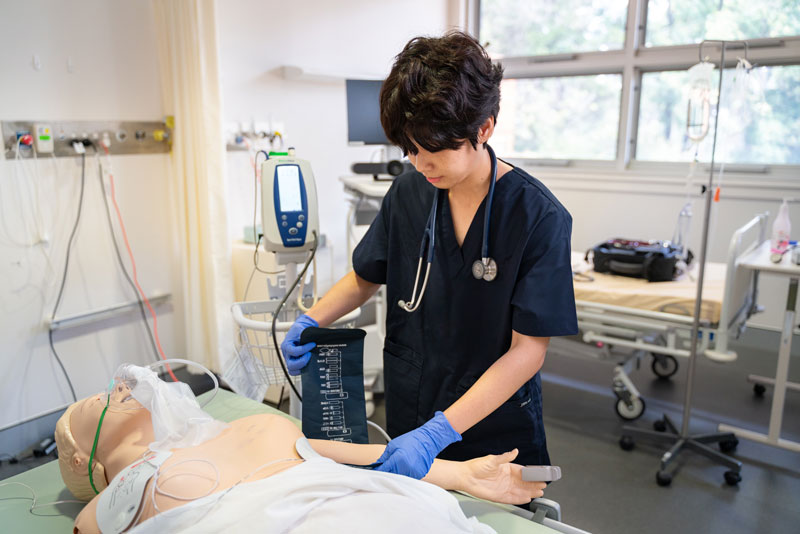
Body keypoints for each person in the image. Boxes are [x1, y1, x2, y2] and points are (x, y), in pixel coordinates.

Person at [281, 31, 578, 479]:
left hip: (492, 428)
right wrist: (312, 320)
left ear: (484, 128)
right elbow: (368, 273)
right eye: (410, 149)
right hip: (412, 409)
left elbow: (528, 352)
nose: (421, 164)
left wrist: (439, 433)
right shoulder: (408, 192)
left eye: (435, 149)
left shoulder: (538, 217)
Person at [55, 382, 545, 533]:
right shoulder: (109, 502)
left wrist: (462, 474)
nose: (120, 385)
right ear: (82, 462)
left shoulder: (233, 428)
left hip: (397, 515)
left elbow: (367, 458)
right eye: (99, 399)